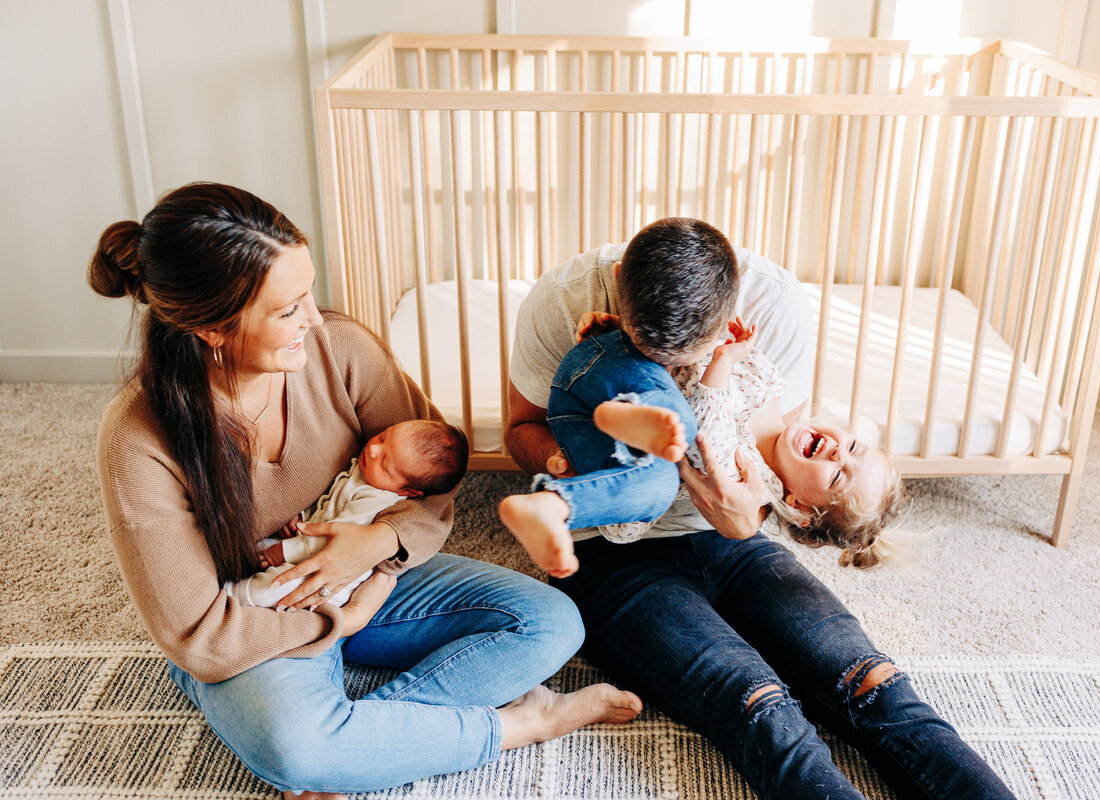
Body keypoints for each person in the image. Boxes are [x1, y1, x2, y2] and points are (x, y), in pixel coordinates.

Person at [89, 182, 641, 800]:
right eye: (287, 309)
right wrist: (337, 618)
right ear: (213, 330)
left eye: (309, 293)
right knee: (298, 746)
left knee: (553, 622)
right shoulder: (140, 438)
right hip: (256, 616)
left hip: (370, 579)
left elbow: (434, 488)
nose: (314, 320)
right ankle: (515, 726)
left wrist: (377, 542)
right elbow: (199, 636)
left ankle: (361, 744)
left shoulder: (341, 349)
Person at [503, 217, 1017, 800]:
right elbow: (521, 430)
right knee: (758, 703)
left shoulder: (772, 307)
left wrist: (750, 519)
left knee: (873, 684)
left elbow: (776, 463)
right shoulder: (562, 301)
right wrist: (584, 472)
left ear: (728, 317)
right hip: (611, 551)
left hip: (733, 542)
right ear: (621, 282)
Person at [498, 312, 899, 579]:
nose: (837, 451)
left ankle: (554, 503)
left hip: (584, 418)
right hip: (601, 370)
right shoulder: (770, 386)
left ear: (796, 505)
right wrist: (628, 332)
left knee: (652, 486)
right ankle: (629, 408)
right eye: (854, 447)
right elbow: (686, 351)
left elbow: (705, 433)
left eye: (837, 475)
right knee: (667, 414)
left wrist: (724, 358)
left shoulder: (747, 477)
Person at [228, 419, 469, 608]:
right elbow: (328, 502)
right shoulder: (364, 470)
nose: (373, 449)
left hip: (331, 576)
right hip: (305, 546)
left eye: (385, 464)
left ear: (407, 491)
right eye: (383, 437)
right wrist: (302, 517)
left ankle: (232, 597)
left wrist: (283, 552)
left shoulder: (375, 501)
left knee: (277, 588)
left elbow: (332, 544)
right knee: (249, 548)